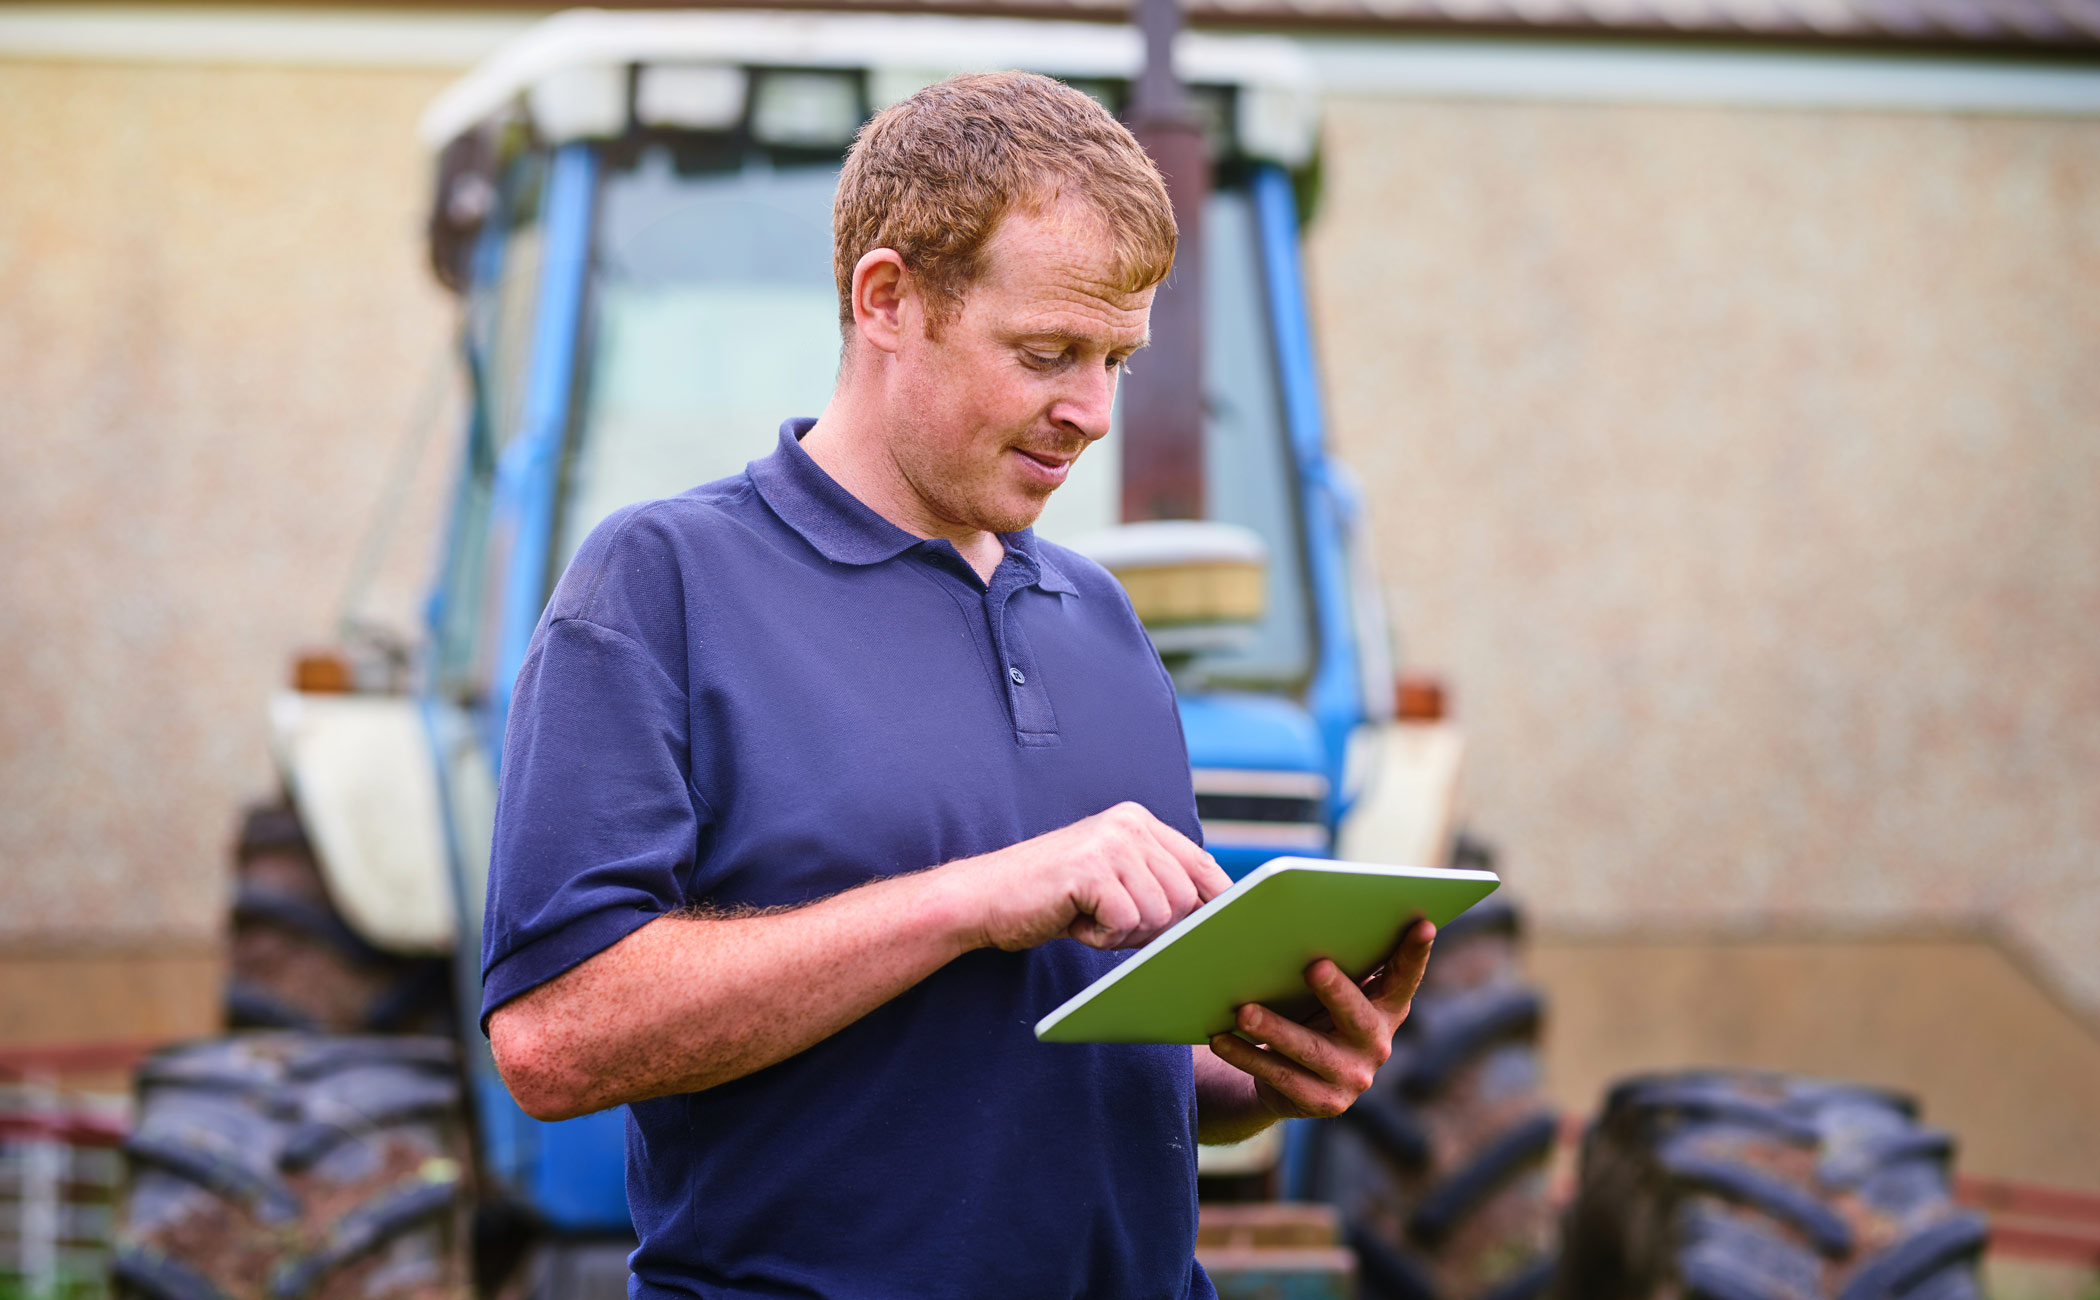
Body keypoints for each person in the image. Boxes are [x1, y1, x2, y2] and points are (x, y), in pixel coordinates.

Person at [481, 70, 1434, 1298]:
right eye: (1047, 351)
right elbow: (553, 1041)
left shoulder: (1099, 618)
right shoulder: (661, 582)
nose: (1090, 411)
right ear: (889, 300)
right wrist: (973, 898)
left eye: (1118, 360)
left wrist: (1267, 1068)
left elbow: (1093, 1063)